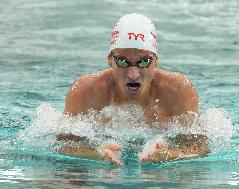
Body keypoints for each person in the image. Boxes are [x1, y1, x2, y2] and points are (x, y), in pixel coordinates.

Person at [57, 13, 210, 166]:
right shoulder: (85, 92)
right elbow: (64, 147)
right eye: (123, 62)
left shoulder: (178, 91)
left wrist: (168, 155)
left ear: (156, 60)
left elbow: (200, 148)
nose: (133, 74)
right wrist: (97, 154)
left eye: (144, 62)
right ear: (110, 59)